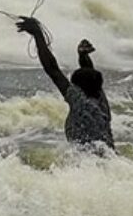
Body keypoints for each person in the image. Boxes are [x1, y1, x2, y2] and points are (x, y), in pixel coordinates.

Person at [16, 17, 114, 150]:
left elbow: (52, 69)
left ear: (79, 88)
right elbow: (90, 75)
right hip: (109, 155)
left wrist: (38, 34)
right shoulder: (101, 102)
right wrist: (83, 56)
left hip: (87, 161)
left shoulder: (79, 101)